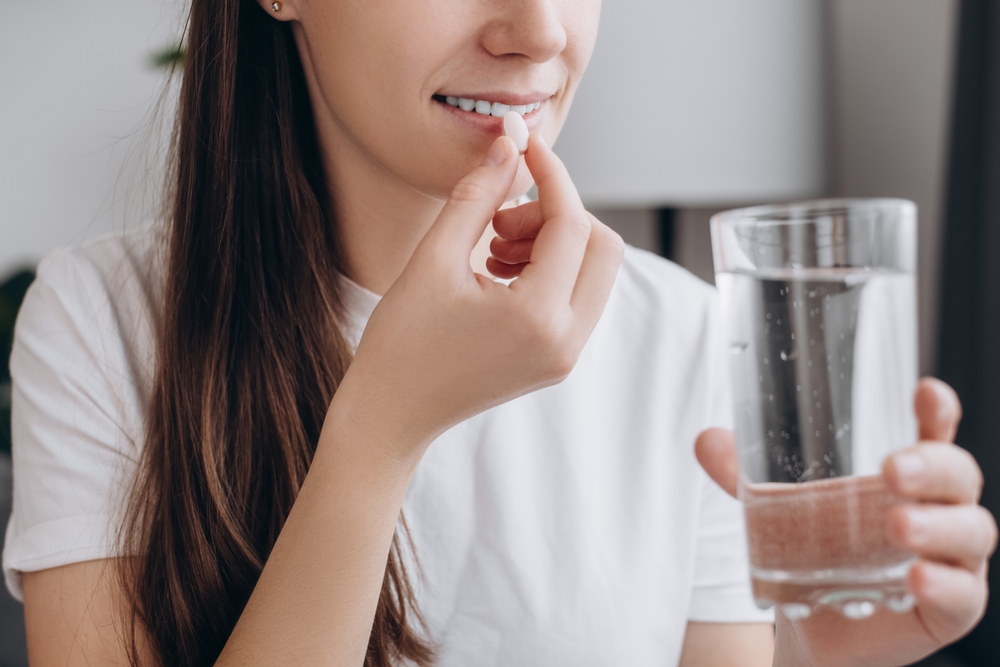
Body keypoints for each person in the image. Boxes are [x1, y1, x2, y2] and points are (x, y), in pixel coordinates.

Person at [2, 0, 995, 665]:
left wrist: (829, 653)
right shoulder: (103, 323)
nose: (538, 30)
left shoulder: (686, 335)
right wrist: (378, 430)